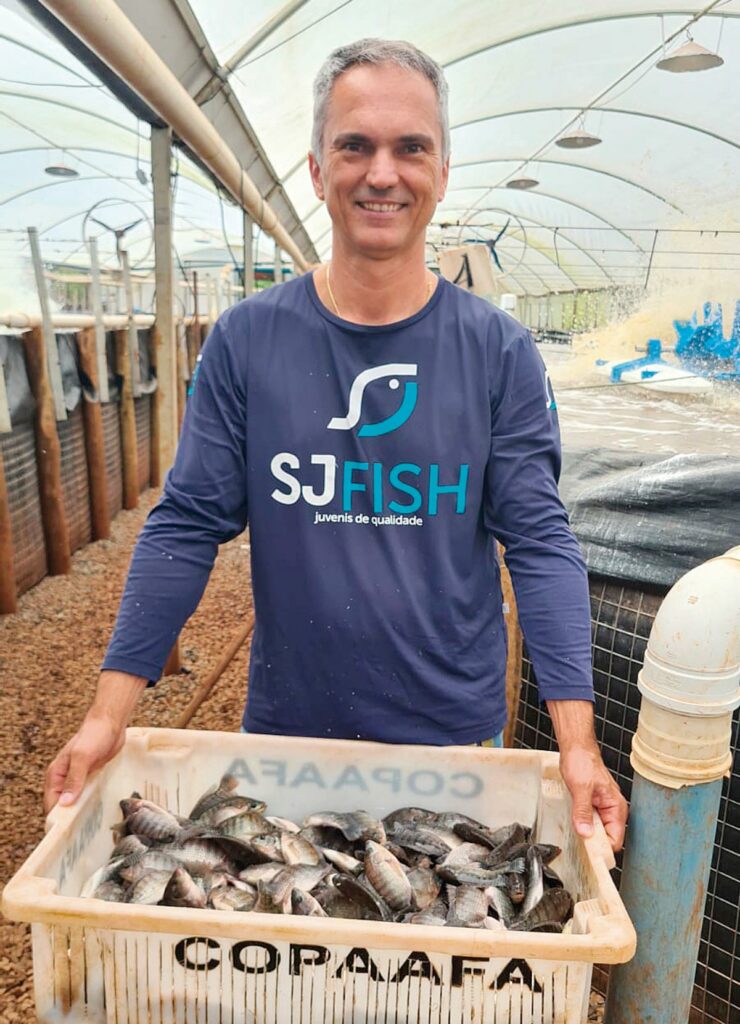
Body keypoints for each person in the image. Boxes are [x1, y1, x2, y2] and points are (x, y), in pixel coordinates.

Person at [45, 39, 627, 851]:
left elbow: (538, 541)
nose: (381, 173)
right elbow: (185, 522)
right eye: (355, 146)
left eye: (410, 148)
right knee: (296, 948)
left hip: (451, 739)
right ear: (319, 171)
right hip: (291, 733)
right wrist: (109, 717)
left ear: (442, 172)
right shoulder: (250, 340)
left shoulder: (497, 352)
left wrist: (578, 746)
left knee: (432, 954)